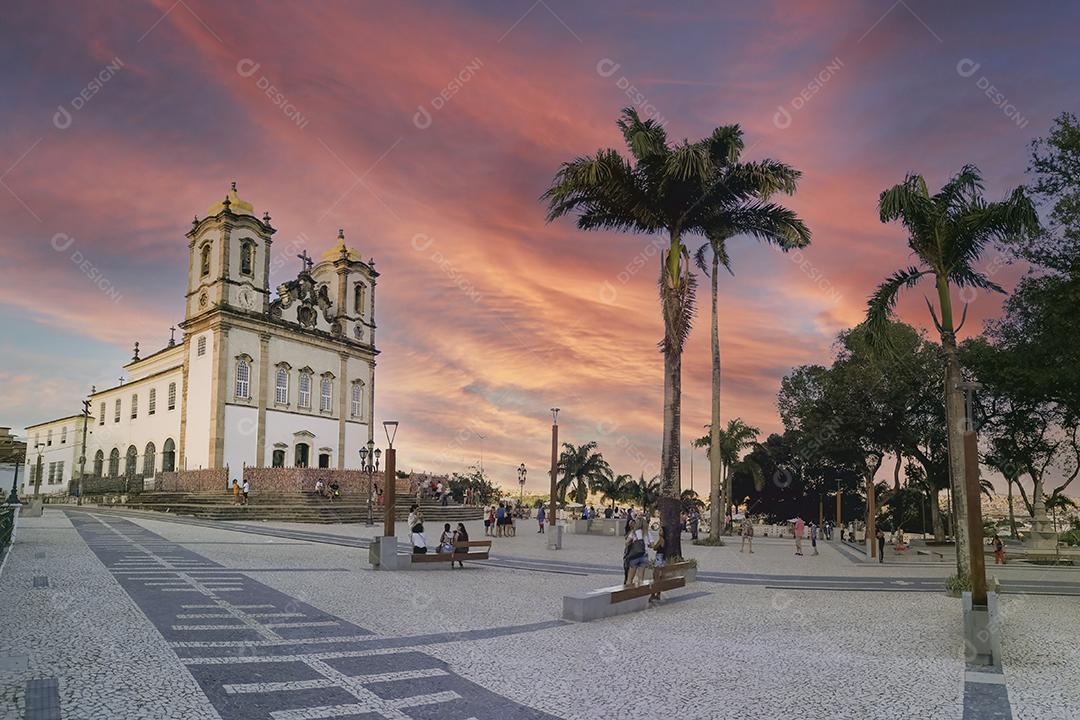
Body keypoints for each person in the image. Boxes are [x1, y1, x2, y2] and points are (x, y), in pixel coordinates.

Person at [624, 518, 649, 586]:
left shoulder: (634, 532)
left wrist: (631, 545)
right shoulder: (647, 533)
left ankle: (628, 593)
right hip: (644, 555)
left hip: (635, 555)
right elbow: (651, 544)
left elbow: (626, 542)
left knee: (630, 578)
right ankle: (639, 592)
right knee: (641, 579)